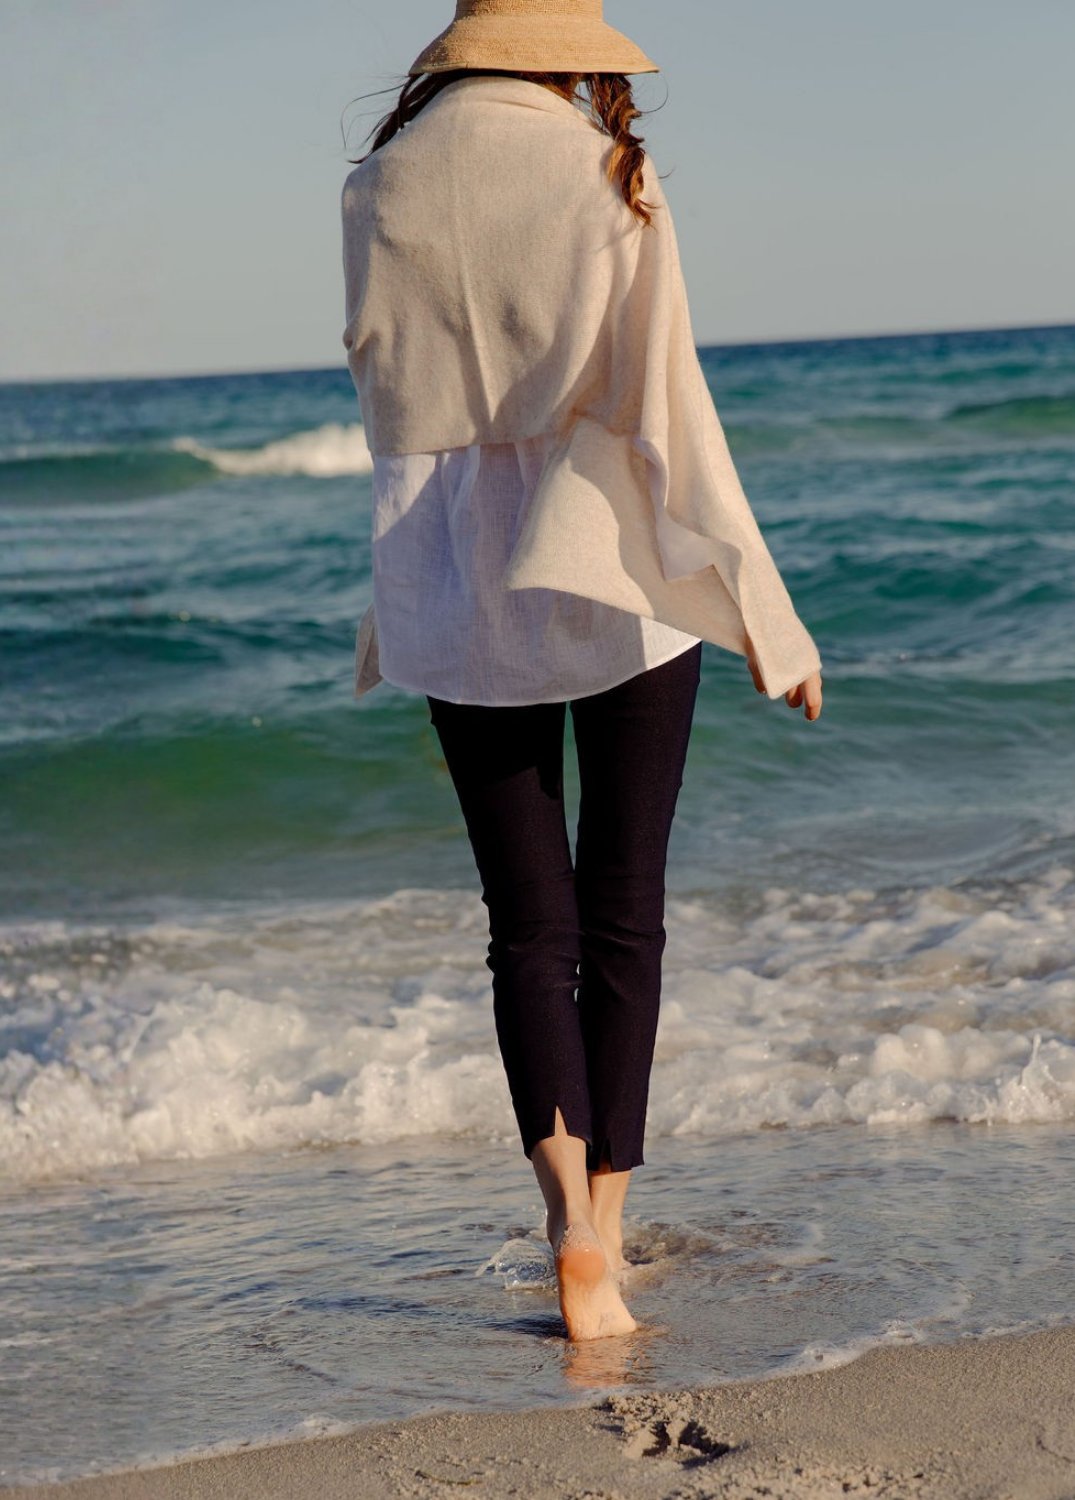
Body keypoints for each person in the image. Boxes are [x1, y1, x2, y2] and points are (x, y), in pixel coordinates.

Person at [342, 0, 823, 1342]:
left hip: (451, 572)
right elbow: (671, 405)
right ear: (569, 47)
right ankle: (607, 1231)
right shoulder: (608, 170)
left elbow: (386, 402)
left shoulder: (376, 183)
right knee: (625, 911)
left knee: (525, 924)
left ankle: (561, 1219)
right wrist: (765, 614)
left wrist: (400, 593)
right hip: (612, 560)